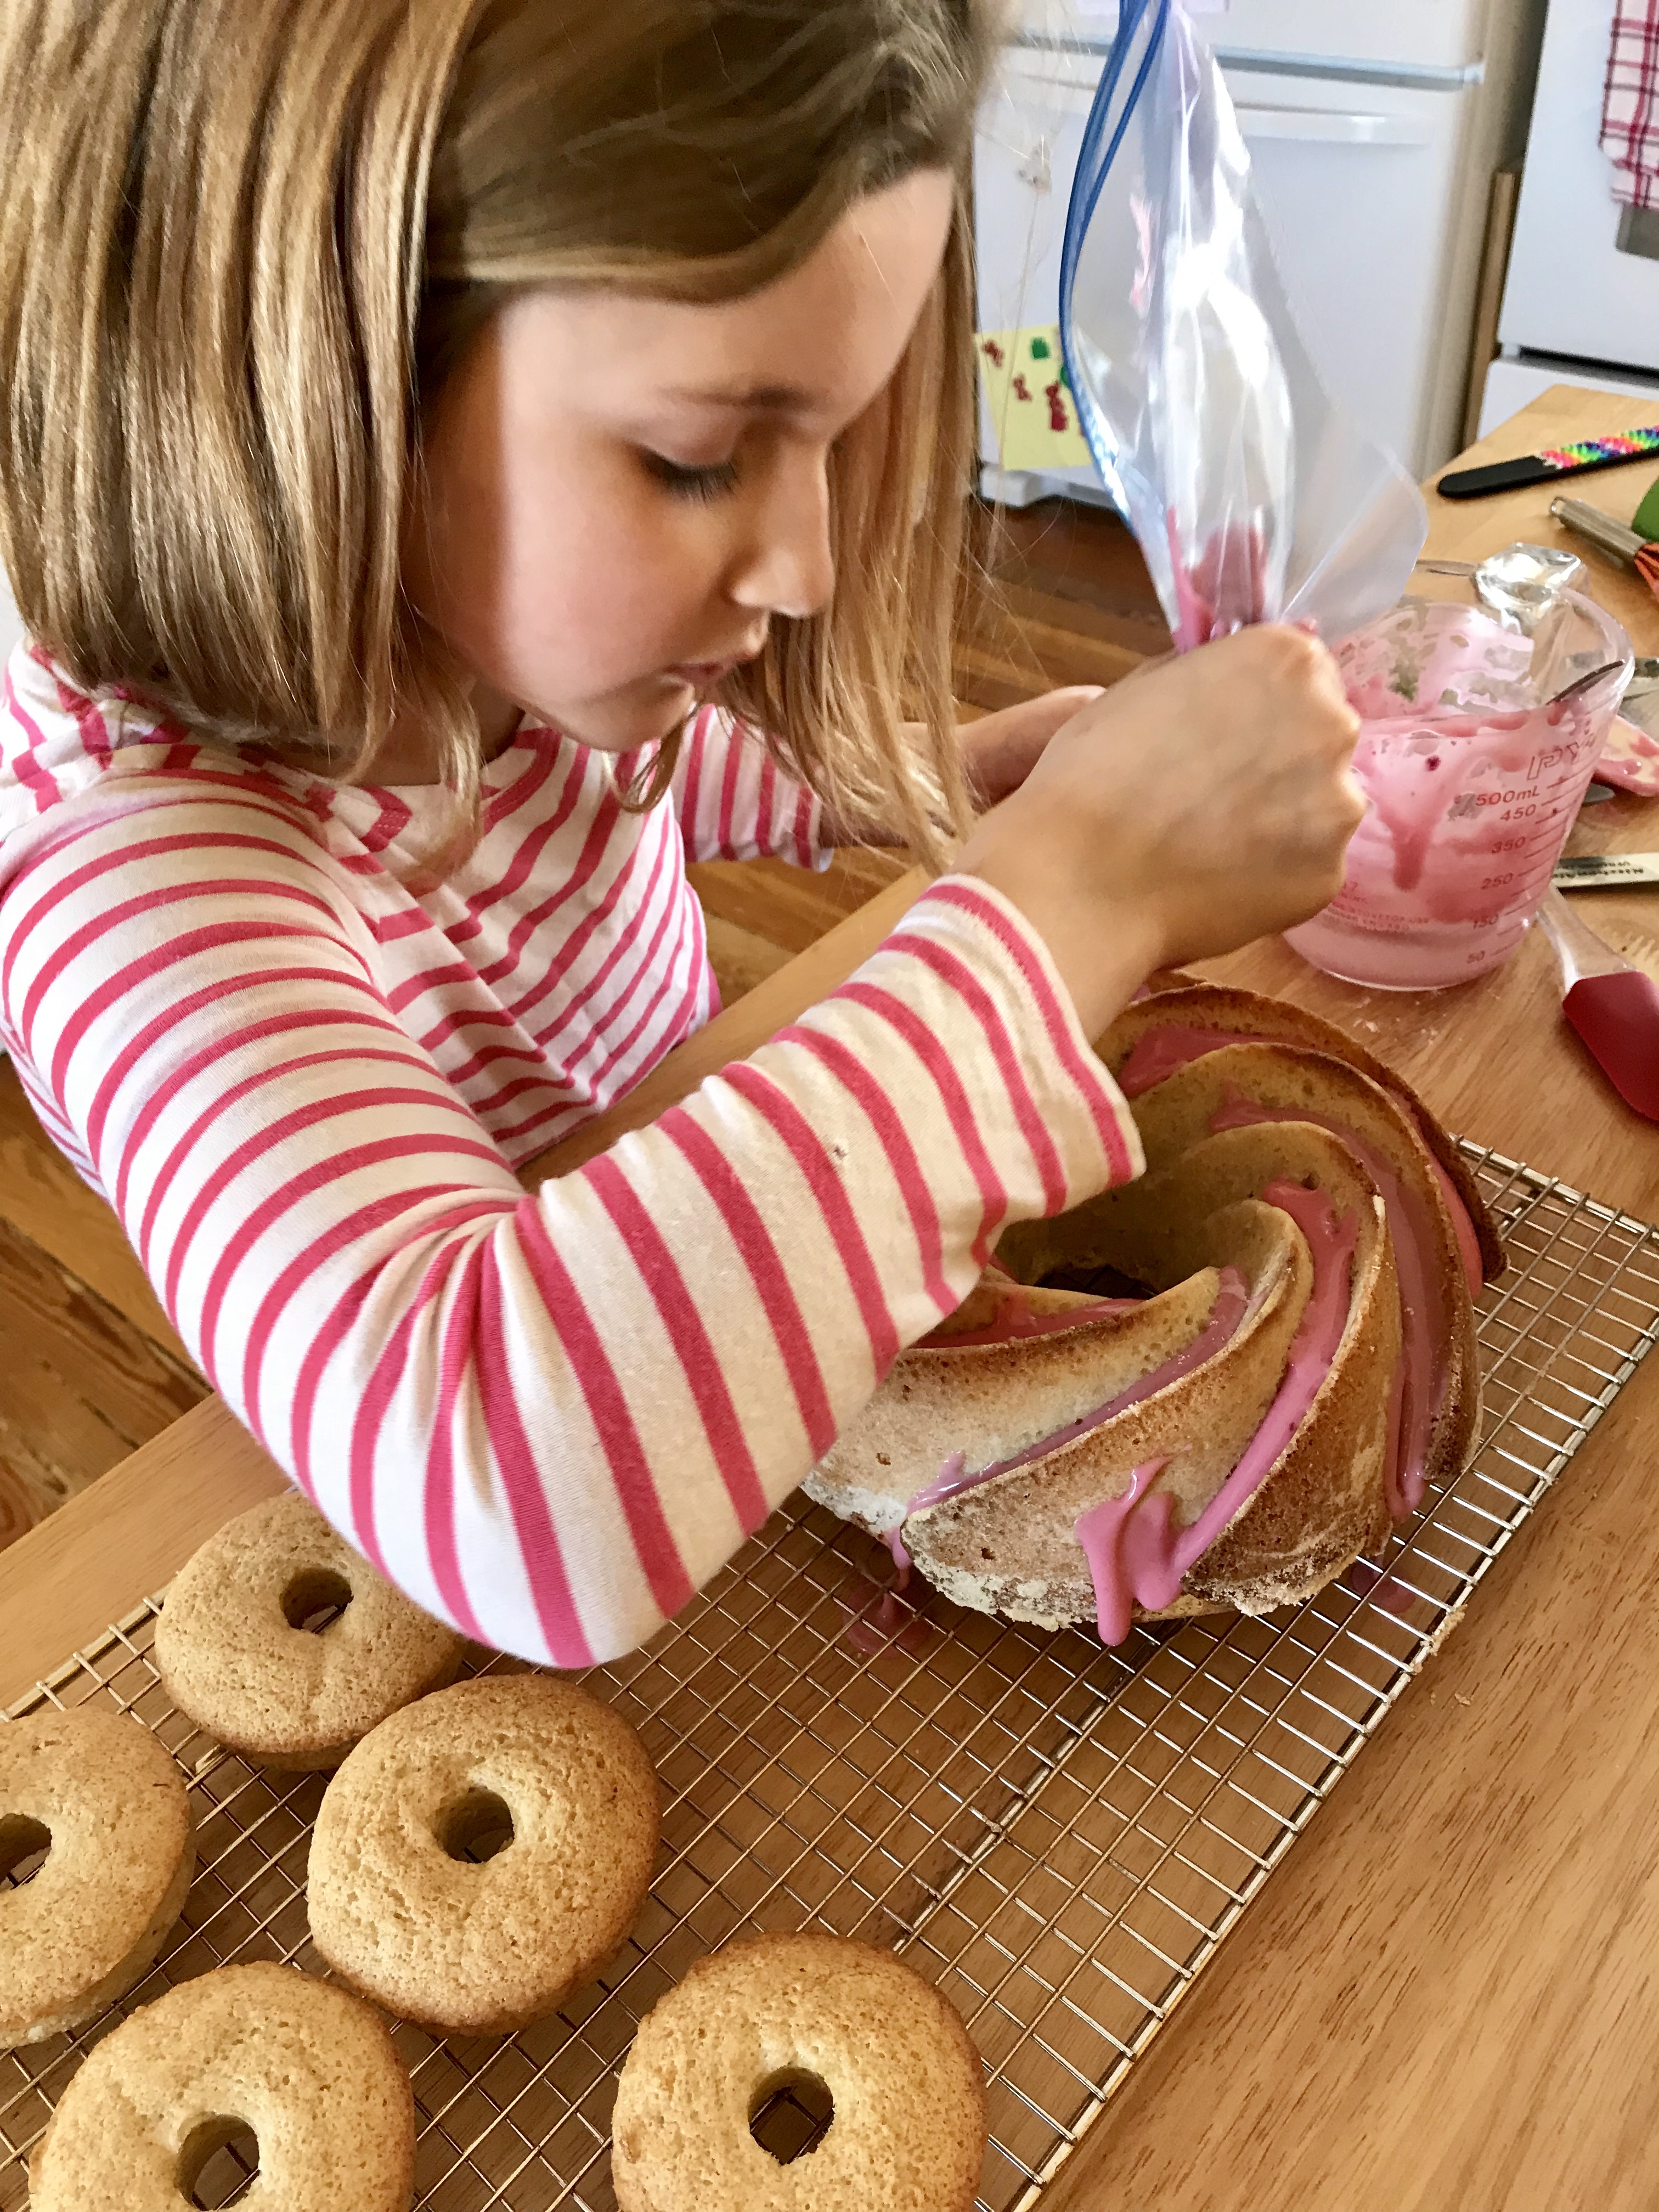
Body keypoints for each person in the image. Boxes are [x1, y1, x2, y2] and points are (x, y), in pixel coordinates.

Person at [0, 0, 1363, 1664]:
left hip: (714, 1214)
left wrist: (928, 778)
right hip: (602, 1438)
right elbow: (512, 1486)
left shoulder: (478, 627)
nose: (805, 567)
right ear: (301, 370)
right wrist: (1079, 895)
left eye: (839, 436)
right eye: (699, 457)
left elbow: (616, 787)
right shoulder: (129, 884)